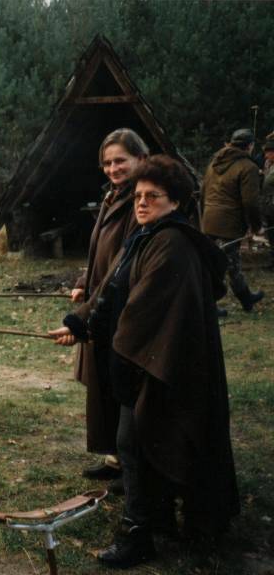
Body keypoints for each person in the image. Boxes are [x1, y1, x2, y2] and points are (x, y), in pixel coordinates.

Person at [50, 155, 239, 568]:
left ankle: (139, 534)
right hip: (144, 359)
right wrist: (79, 324)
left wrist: (105, 339)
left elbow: (142, 311)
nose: (141, 202)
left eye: (153, 196)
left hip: (160, 365)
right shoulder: (145, 236)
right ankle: (155, 520)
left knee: (138, 443)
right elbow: (111, 286)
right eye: (138, 196)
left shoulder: (173, 244)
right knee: (137, 443)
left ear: (175, 201)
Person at [70, 129, 149, 487]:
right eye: (107, 163)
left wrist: (93, 303)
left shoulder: (141, 199)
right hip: (102, 298)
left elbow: (124, 260)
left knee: (122, 383)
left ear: (140, 159)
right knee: (103, 381)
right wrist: (84, 281)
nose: (113, 169)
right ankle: (115, 458)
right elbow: (99, 250)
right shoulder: (112, 196)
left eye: (120, 161)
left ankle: (131, 465)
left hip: (122, 302)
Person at [201, 128, 264, 311]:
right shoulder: (248, 167)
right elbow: (251, 202)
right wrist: (256, 226)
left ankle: (245, 299)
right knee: (228, 264)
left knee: (218, 263)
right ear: (250, 146)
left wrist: (205, 215)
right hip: (229, 223)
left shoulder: (214, 162)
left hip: (209, 219)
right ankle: (214, 305)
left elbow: (203, 192)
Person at [262, 138, 274, 270]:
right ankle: (272, 262)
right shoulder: (267, 164)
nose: (266, 155)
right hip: (268, 206)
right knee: (271, 235)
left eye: (269, 153)